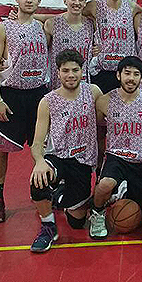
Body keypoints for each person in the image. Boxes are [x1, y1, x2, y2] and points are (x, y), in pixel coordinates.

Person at [0, 0, 50, 223]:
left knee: (42, 147)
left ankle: (43, 193)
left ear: (39, 1)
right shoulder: (3, 28)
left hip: (37, 94)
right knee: (1, 150)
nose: (29, 0)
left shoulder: (42, 28)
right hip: (11, 95)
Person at [27, 49, 103, 252]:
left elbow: (109, 115)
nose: (71, 75)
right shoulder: (47, 101)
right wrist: (39, 161)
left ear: (82, 70)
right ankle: (48, 227)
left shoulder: (93, 92)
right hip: (57, 157)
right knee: (38, 181)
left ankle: (59, 194)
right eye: (66, 70)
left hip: (83, 161)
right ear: (58, 72)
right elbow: (37, 143)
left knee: (77, 222)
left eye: (75, 70)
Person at [89, 56, 142, 239]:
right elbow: (99, 127)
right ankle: (97, 213)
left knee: (140, 214)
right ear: (118, 75)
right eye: (127, 73)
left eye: (136, 74)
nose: (131, 78)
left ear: (141, 78)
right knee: (104, 185)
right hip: (116, 156)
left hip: (141, 160)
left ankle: (122, 192)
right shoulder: (104, 101)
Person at [83, 0, 142, 94]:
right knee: (101, 107)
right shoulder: (94, 6)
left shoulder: (132, 7)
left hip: (125, 71)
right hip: (101, 70)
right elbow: (72, 16)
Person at [45, 0, 94, 90]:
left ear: (85, 2)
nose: (77, 2)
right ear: (65, 0)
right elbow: (42, 54)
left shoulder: (91, 24)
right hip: (59, 83)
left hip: (83, 83)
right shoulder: (52, 24)